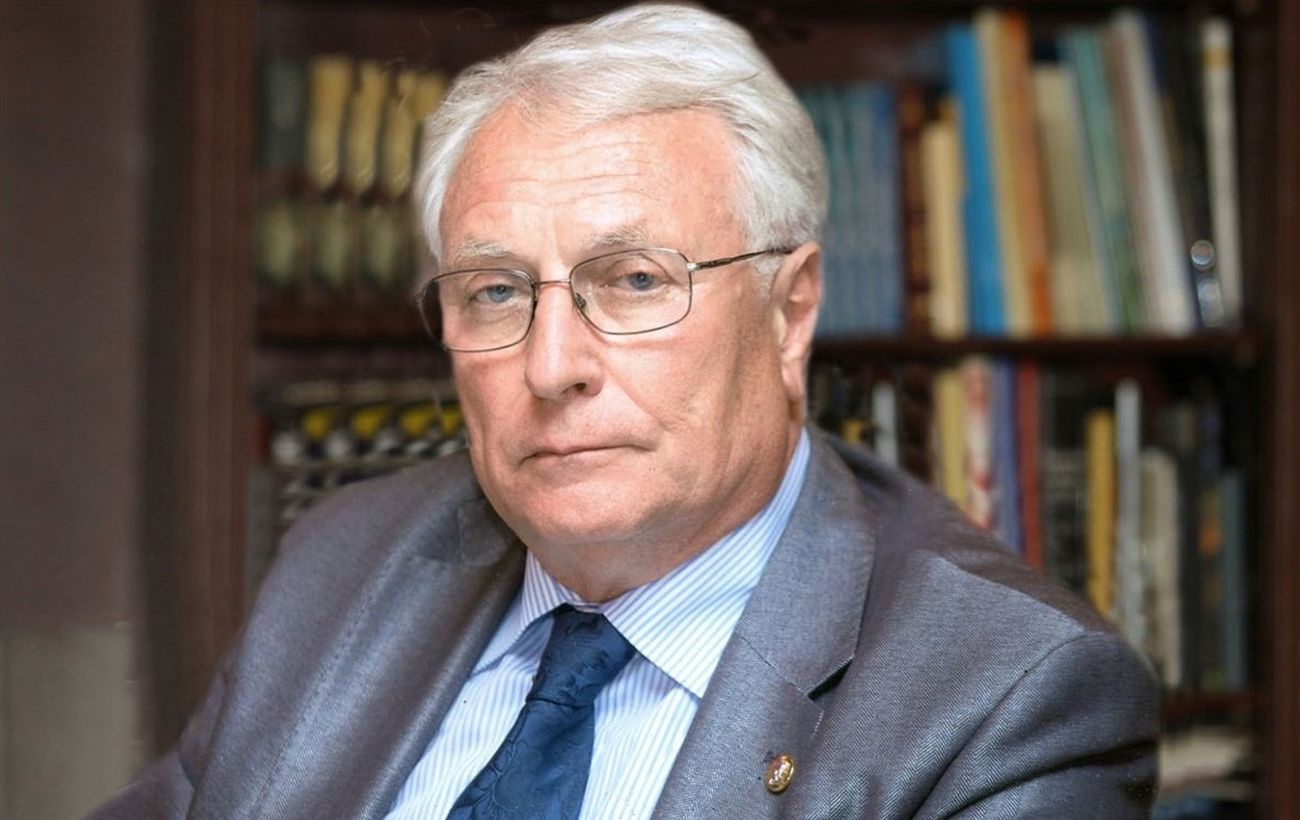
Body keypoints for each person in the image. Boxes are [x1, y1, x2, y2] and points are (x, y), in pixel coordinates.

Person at [91, 4, 1158, 818]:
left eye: (636, 281)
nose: (551, 365)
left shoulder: (1004, 695)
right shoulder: (345, 559)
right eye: (495, 291)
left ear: (789, 312)